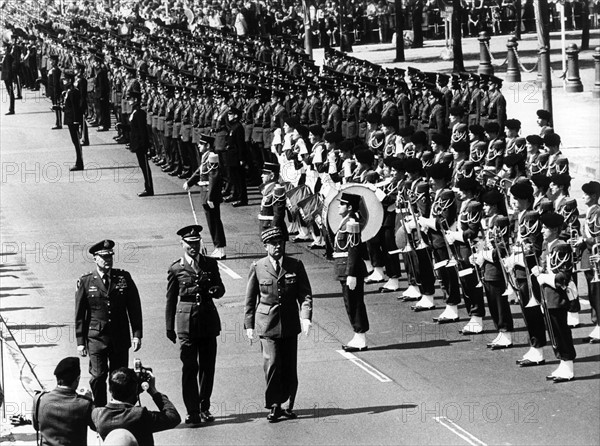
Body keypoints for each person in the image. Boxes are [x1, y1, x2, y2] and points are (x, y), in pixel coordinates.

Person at [244, 227, 313, 422]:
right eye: (273, 243)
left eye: (280, 243)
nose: (277, 246)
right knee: (272, 363)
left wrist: (305, 317)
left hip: (290, 322)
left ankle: (288, 404)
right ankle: (275, 404)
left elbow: (305, 294)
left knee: (290, 365)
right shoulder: (258, 267)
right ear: (265, 246)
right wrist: (249, 325)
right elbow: (250, 299)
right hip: (267, 323)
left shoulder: (295, 265)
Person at [165, 225, 225, 425]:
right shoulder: (176, 268)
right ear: (182, 244)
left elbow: (220, 289)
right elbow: (171, 299)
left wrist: (215, 289)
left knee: (207, 367)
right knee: (190, 367)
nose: (193, 246)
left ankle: (204, 406)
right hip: (186, 322)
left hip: (207, 320)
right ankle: (192, 410)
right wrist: (169, 327)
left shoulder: (209, 263)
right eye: (189, 243)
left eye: (196, 242)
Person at [75, 240, 143, 407]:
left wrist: (137, 334)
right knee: (98, 377)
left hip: (119, 337)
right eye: (104, 257)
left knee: (119, 378)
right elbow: (80, 314)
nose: (108, 260)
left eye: (110, 256)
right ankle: (99, 412)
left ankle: (119, 411)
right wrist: (80, 341)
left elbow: (134, 307)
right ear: (95, 259)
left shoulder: (123, 278)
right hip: (96, 338)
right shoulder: (86, 281)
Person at [91, 368, 180, 445]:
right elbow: (173, 417)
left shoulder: (97, 415)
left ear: (110, 389)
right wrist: (153, 391)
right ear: (135, 390)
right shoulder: (140, 415)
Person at [334, 192, 370, 351]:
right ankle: (358, 334)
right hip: (344, 267)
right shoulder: (346, 221)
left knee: (354, 303)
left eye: (342, 204)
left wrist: (351, 273)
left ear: (349, 207)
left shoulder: (352, 222)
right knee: (351, 302)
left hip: (350, 269)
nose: (338, 206)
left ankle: (360, 336)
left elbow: (354, 249)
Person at [32, 357, 94, 446]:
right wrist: (90, 400)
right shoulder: (84, 404)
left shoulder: (39, 399)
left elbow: (36, 427)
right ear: (78, 379)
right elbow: (97, 426)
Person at [185, 135, 227, 259]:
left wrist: (211, 197)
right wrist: (189, 182)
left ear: (207, 145)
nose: (199, 146)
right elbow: (200, 172)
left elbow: (213, 178)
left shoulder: (212, 157)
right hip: (205, 193)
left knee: (215, 222)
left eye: (201, 144)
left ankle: (220, 248)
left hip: (209, 193)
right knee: (211, 222)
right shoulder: (205, 157)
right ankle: (217, 247)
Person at [128, 90, 154, 197]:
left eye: (131, 99)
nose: (129, 100)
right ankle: (147, 187)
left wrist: (145, 146)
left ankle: (149, 188)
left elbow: (143, 131)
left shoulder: (139, 113)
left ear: (135, 100)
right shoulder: (134, 112)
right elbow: (133, 128)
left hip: (141, 144)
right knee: (142, 166)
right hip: (137, 143)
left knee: (145, 167)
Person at [62, 70, 84, 172]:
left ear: (70, 80)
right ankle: (78, 162)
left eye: (65, 79)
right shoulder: (68, 91)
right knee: (74, 142)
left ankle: (79, 163)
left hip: (73, 120)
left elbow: (75, 108)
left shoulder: (73, 92)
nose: (63, 81)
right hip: (70, 119)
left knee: (77, 143)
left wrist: (76, 121)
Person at [1, 42, 16, 115]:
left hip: (8, 77)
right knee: (10, 93)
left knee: (11, 93)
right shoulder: (6, 56)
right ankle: (11, 108)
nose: (3, 49)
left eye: (4, 47)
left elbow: (9, 68)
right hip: (6, 76)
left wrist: (10, 77)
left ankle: (12, 109)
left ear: (7, 48)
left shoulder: (8, 56)